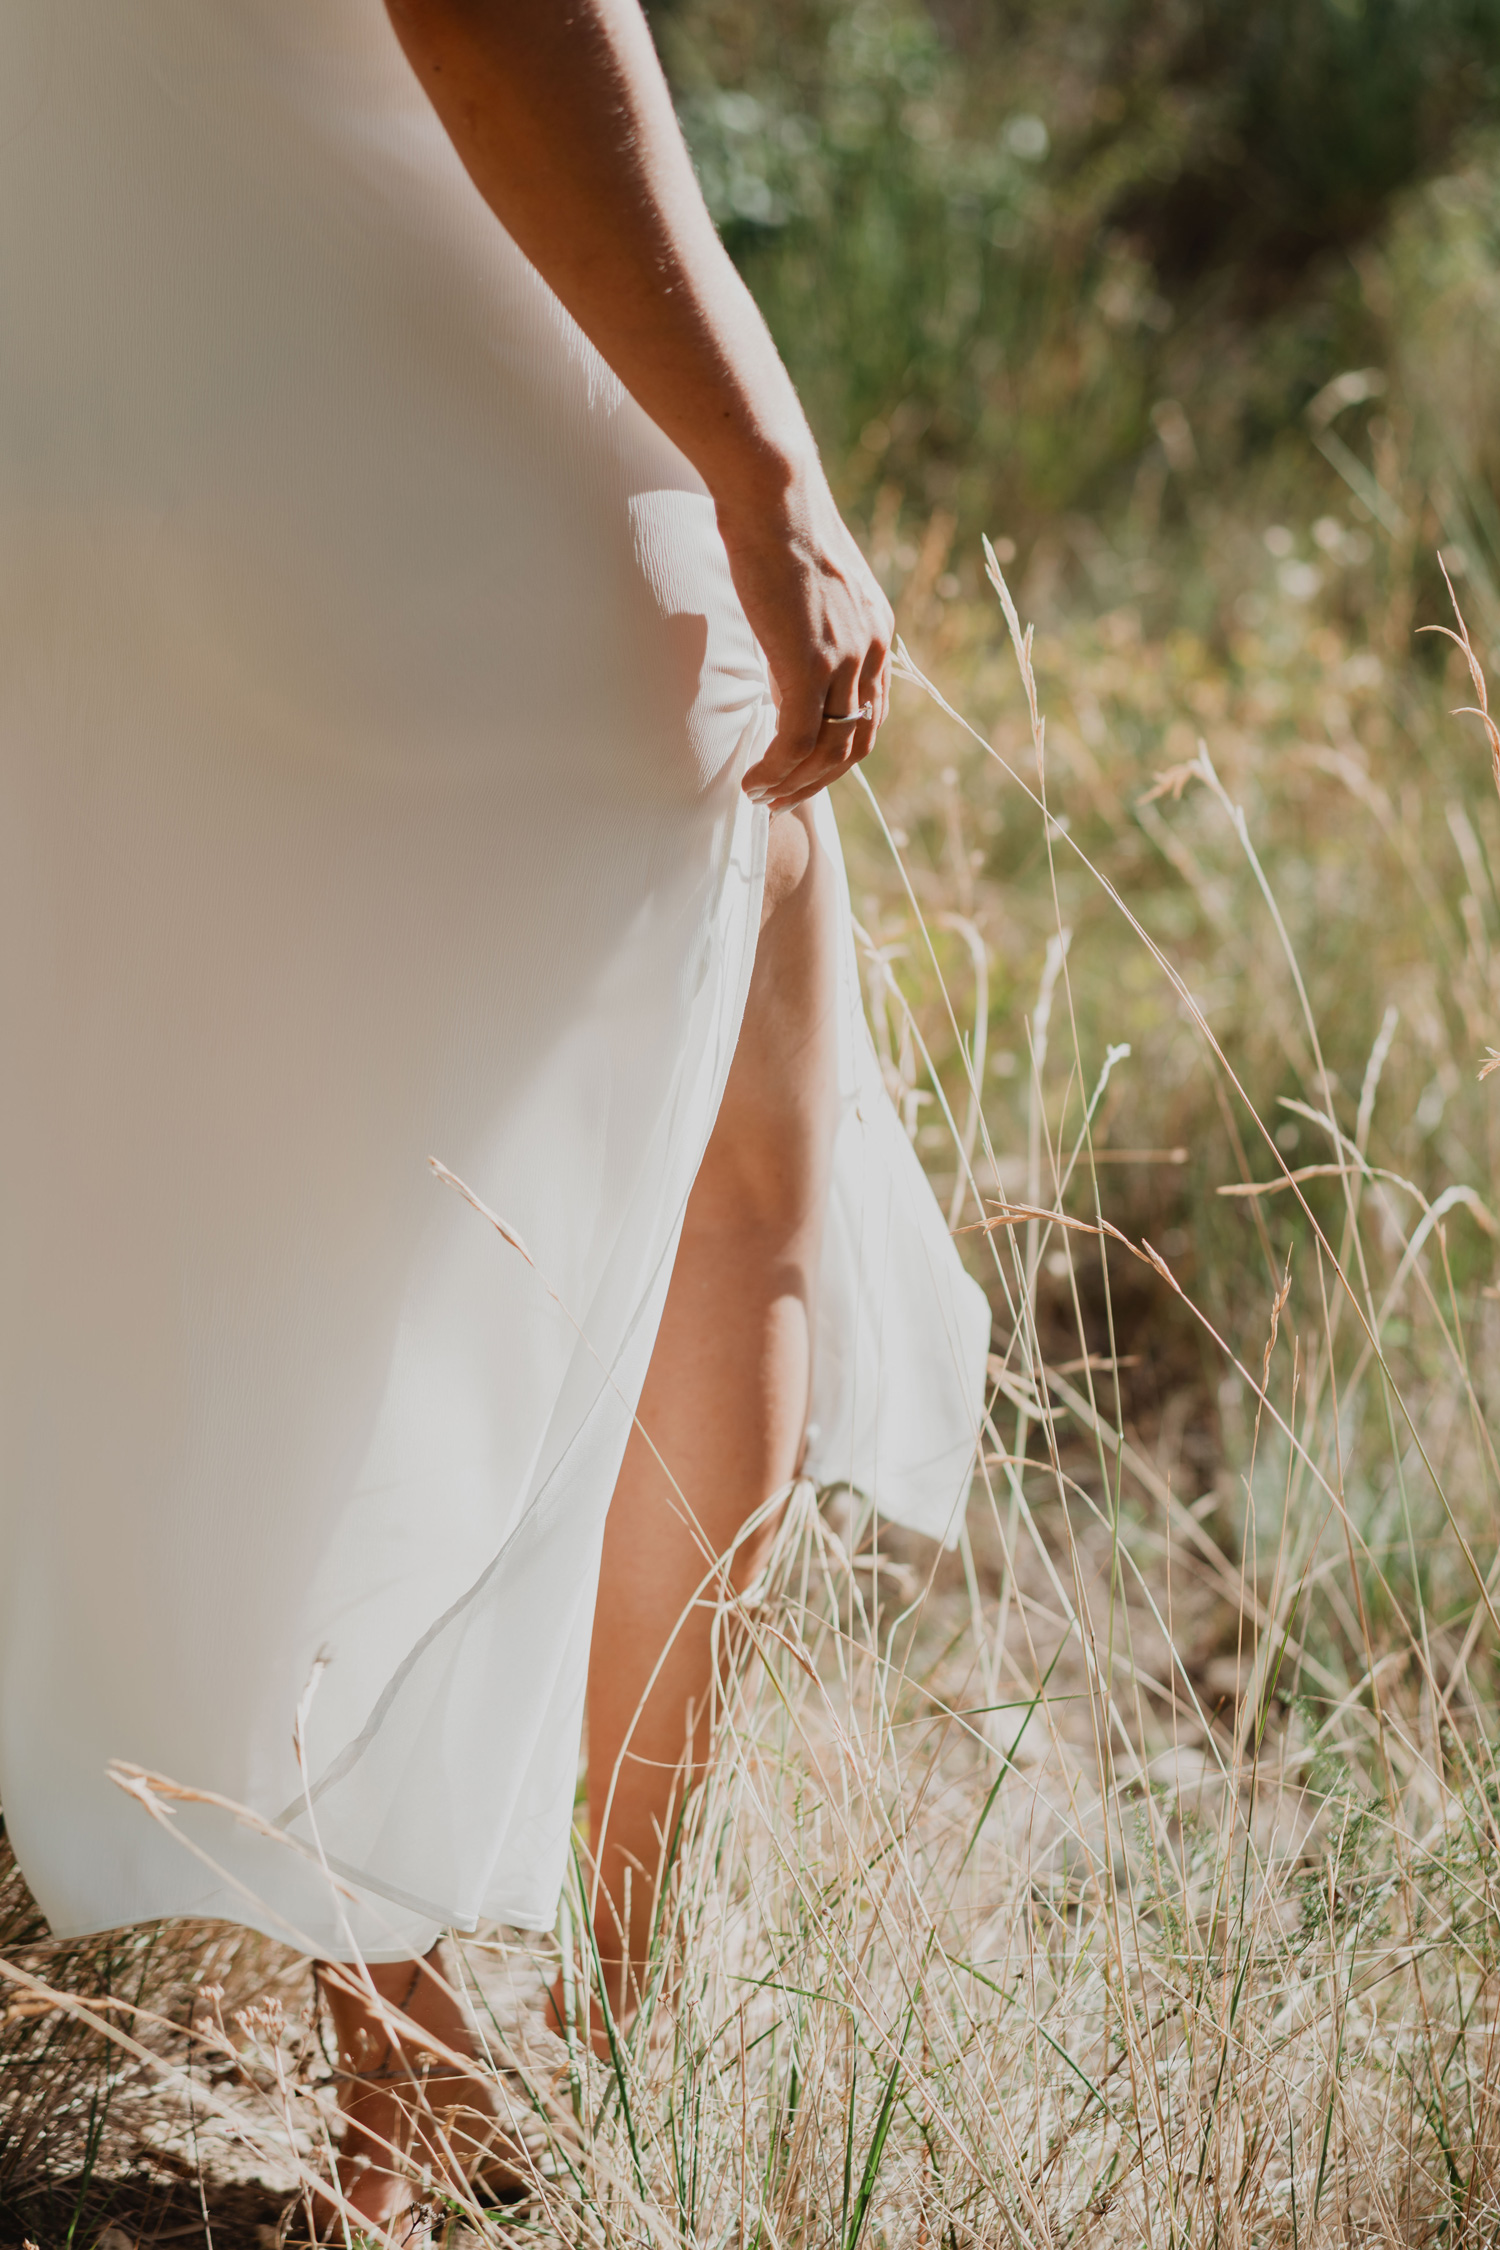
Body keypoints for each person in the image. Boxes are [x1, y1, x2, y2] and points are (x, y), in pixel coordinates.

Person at [0, 0, 989, 2229]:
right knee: (735, 1193)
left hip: (79, 454)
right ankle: (564, 2060)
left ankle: (407, 2054)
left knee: (299, 1219)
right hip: (418, 473)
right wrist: (766, 471)